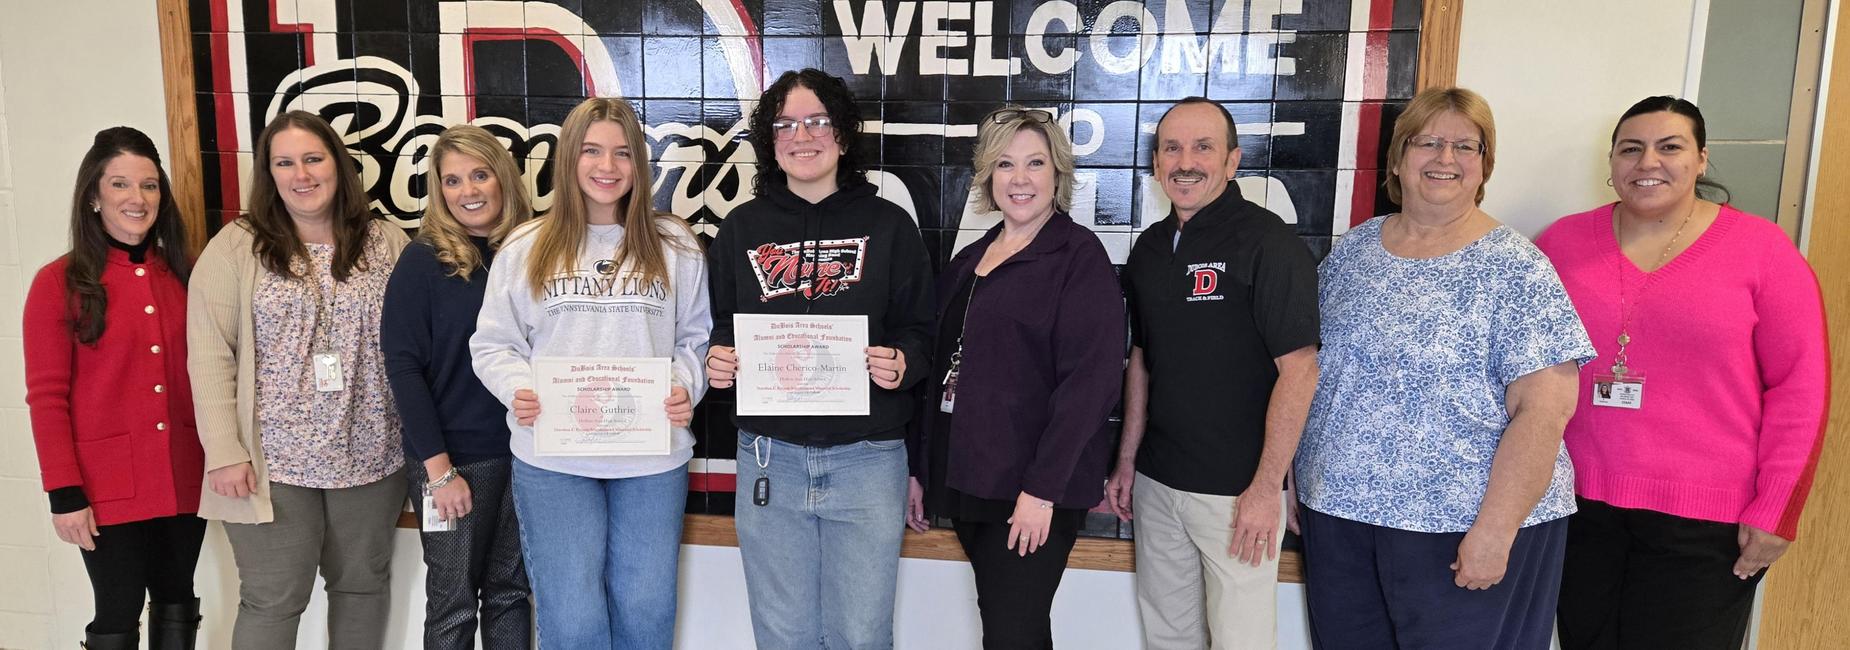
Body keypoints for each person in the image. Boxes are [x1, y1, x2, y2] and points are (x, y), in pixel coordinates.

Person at [1293, 87, 1594, 649]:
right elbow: (1315, 376)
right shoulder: (1354, 252)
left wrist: (1496, 531)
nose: (1444, 159)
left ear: (1485, 165)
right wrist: (1296, 476)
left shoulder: (1516, 267)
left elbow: (1545, 410)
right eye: (1427, 142)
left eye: (1465, 146)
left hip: (1464, 528)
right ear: (1398, 158)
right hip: (1340, 518)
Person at [1537, 96, 1829, 650]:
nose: (1649, 162)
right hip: (1576, 511)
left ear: (1701, 160)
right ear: (1612, 162)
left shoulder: (1762, 251)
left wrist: (1776, 508)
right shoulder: (1561, 245)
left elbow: (1801, 385)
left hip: (1706, 522)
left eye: (1670, 147)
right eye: (1632, 148)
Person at [704, 68, 934, 650]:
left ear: (843, 134)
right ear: (769, 138)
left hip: (868, 459)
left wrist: (903, 361)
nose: (801, 136)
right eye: (785, 124)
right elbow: (721, 330)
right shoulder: (741, 229)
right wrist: (719, 363)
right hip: (768, 459)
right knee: (783, 636)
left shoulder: (890, 225)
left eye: (816, 121)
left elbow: (922, 331)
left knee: (861, 635)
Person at [469, 97, 710, 649]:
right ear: (569, 159)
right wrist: (519, 389)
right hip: (554, 455)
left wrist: (684, 385)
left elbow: (695, 337)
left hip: (651, 455)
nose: (608, 166)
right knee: (572, 615)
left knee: (645, 609)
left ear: (640, 164)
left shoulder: (675, 245)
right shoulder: (526, 246)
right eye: (592, 151)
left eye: (623, 153)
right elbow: (493, 344)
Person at [904, 106, 1126, 649]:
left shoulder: (1078, 256)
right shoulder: (972, 258)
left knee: (1013, 634)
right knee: (1009, 630)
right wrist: (919, 469)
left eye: (1035, 163)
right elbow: (940, 373)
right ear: (987, 176)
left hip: (1030, 490)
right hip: (970, 481)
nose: (1019, 179)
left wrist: (1042, 491)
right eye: (1005, 164)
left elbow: (1090, 385)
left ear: (1057, 175)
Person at [187, 110, 411, 649]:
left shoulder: (388, 242)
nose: (301, 174)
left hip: (371, 455)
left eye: (313, 158)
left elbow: (414, 345)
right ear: (269, 174)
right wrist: (223, 450)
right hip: (270, 462)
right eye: (284, 163)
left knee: (361, 588)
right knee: (273, 597)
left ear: (338, 165)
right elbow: (209, 353)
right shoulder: (235, 247)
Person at [1108, 96, 1320, 650]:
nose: (1186, 161)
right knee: (1168, 638)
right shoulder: (1151, 250)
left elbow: (1300, 372)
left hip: (1236, 494)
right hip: (1158, 484)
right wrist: (1128, 461)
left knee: (1241, 642)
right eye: (1172, 148)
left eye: (1204, 147)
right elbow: (1142, 362)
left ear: (1233, 161)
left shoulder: (1268, 243)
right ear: (1155, 163)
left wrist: (1264, 489)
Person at [24, 127, 205, 650]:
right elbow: (46, 398)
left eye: (149, 186)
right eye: (121, 184)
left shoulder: (186, 275)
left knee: (178, 595)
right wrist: (64, 493)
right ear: (93, 196)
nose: (137, 198)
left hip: (182, 471)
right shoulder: (57, 282)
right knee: (118, 607)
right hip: (104, 485)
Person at [382, 124, 536, 648]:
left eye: (479, 174)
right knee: (451, 602)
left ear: (503, 179)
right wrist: (439, 473)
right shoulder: (422, 261)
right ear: (439, 191)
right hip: (450, 464)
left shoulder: (535, 251)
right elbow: (402, 369)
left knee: (511, 592)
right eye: (452, 181)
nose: (467, 191)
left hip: (526, 455)